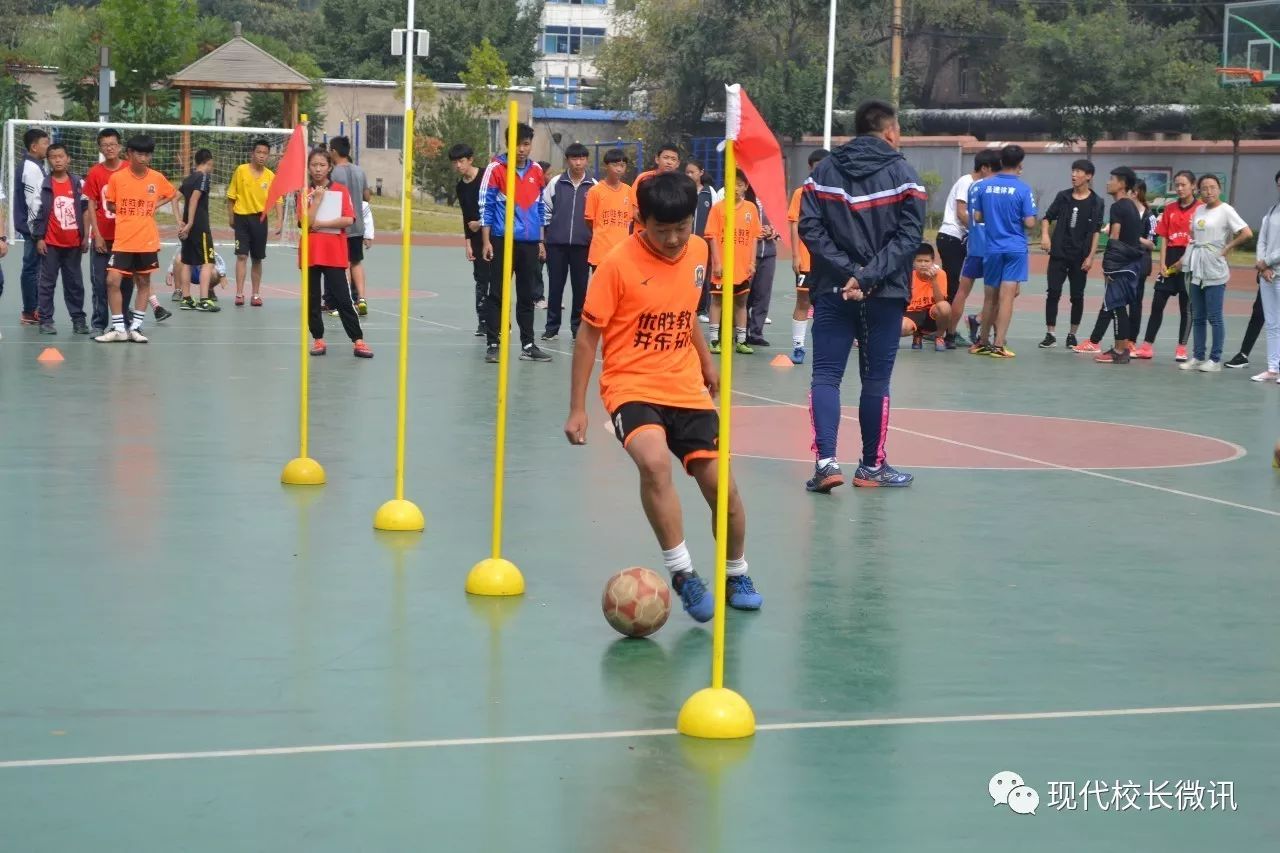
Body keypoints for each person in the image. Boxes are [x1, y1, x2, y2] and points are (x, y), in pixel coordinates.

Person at [563, 171, 762, 622]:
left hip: (685, 387)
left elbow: (685, 307)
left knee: (723, 490)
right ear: (640, 220)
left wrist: (705, 360)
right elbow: (586, 340)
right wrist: (577, 408)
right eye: (662, 229)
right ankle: (684, 573)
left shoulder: (697, 249)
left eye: (682, 227)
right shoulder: (617, 265)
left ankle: (736, 573)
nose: (673, 239)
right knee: (653, 463)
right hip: (631, 385)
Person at [799, 99, 925, 491]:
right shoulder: (904, 173)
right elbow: (909, 238)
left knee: (825, 375)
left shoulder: (822, 171)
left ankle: (826, 465)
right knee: (875, 380)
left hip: (833, 288)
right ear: (890, 131)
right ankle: (871, 467)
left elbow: (810, 229)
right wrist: (869, 276)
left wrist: (849, 272)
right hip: (884, 292)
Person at [95, 135, 180, 343]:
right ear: (129, 154)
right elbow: (111, 205)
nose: (144, 158)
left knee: (143, 281)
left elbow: (173, 193)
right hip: (123, 240)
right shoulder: (117, 178)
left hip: (147, 240)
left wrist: (155, 206)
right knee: (112, 280)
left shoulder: (157, 178)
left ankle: (136, 328)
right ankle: (118, 329)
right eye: (140, 153)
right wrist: (130, 211)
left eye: (148, 154)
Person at [480, 123, 550, 363]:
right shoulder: (496, 169)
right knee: (497, 293)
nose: (522, 149)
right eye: (517, 144)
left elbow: (540, 207)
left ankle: (528, 345)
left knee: (527, 295)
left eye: (526, 144)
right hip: (502, 240)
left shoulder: (537, 171)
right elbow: (486, 206)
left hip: (529, 243)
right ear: (508, 144)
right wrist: (487, 241)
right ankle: (493, 343)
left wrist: (540, 239)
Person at [300, 148, 372, 359]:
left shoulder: (341, 191)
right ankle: (318, 339)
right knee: (313, 299)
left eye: (322, 165)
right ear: (308, 167)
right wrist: (318, 201)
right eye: (314, 165)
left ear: (330, 167)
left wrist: (321, 223)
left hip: (334, 252)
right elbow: (305, 223)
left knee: (343, 298)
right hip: (311, 253)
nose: (318, 169)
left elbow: (348, 220)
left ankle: (358, 340)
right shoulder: (305, 192)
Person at [1180, 174, 1252, 373]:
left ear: (1219, 189)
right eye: (1204, 188)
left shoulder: (1226, 210)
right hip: (1197, 267)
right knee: (1198, 316)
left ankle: (1215, 359)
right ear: (1199, 190)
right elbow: (1194, 236)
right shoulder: (1199, 210)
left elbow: (1246, 233)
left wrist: (1227, 247)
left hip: (1215, 267)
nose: (1208, 191)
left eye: (1212, 187)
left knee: (1215, 316)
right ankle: (1198, 356)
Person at [971, 144, 1036, 359]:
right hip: (1015, 249)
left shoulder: (983, 186)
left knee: (989, 298)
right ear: (1020, 164)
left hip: (992, 248)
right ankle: (999, 345)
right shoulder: (1024, 189)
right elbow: (1029, 222)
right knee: (1007, 297)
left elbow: (978, 218)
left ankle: (982, 342)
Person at [1038, 159, 1105, 349]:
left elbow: (1096, 231)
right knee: (1053, 292)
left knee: (1077, 296)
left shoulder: (1097, 202)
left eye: (1078, 171)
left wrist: (1091, 256)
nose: (1074, 175)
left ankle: (1072, 334)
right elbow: (1046, 218)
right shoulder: (1063, 196)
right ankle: (1050, 334)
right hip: (1059, 253)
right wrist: (1045, 236)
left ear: (1089, 176)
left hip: (1080, 256)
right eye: (1073, 170)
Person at [1134, 169, 1197, 361]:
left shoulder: (1200, 209)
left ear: (1193, 186)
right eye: (1176, 185)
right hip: (1170, 258)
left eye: (1183, 184)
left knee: (1186, 308)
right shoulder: (1169, 209)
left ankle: (1181, 347)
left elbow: (1196, 239)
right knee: (1157, 304)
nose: (1179, 188)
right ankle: (1147, 345)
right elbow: (1163, 238)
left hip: (1189, 261)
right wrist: (1162, 262)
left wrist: (1184, 261)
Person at [945, 150, 1001, 350]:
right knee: (998, 294)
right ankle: (991, 338)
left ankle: (953, 333)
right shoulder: (989, 187)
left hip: (974, 245)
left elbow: (973, 216)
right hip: (989, 246)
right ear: (986, 168)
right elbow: (964, 214)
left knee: (962, 291)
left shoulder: (975, 187)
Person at [30, 142, 88, 335]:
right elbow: (37, 212)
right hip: (51, 243)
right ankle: (46, 320)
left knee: (75, 284)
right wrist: (39, 237)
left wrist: (86, 236)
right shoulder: (44, 184)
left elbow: (86, 211)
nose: (57, 160)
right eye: (53, 157)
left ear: (68, 158)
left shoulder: (78, 183)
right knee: (47, 284)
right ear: (48, 161)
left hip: (73, 244)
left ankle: (78, 319)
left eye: (61, 156)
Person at [541, 142, 595, 341]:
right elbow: (545, 209)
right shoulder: (556, 182)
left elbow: (596, 218)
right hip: (556, 245)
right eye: (574, 158)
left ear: (586, 160)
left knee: (580, 289)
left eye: (582, 158)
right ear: (567, 160)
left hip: (583, 246)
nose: (578, 162)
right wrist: (546, 237)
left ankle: (577, 328)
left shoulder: (594, 186)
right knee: (555, 287)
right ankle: (551, 327)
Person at [1093, 167, 1144, 364]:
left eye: (1112, 178)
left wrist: (1109, 266)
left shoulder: (1118, 207)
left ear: (1122, 184)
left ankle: (1120, 351)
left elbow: (1114, 237)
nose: (1108, 182)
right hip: (1131, 264)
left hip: (1120, 265)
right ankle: (1121, 349)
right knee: (1119, 306)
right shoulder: (1132, 207)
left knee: (1116, 306)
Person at [705, 169, 759, 354]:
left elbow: (754, 237)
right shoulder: (718, 208)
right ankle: (714, 340)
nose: (735, 188)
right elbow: (711, 236)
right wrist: (717, 263)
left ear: (746, 187)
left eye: (739, 184)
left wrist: (752, 263)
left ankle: (741, 340)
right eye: (732, 183)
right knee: (717, 301)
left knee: (741, 303)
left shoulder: (751, 209)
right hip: (722, 267)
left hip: (742, 267)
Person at [226, 138, 283, 307]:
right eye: (258, 152)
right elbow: (231, 197)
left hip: (260, 219)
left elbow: (278, 199)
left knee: (257, 258)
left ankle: (256, 294)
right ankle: (239, 293)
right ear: (252, 153)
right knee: (242, 255)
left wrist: (279, 220)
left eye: (265, 153)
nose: (261, 156)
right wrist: (231, 217)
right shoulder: (241, 170)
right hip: (241, 218)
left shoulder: (270, 176)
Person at [786, 148, 830, 363]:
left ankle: (826, 347)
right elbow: (794, 224)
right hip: (806, 256)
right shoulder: (800, 193)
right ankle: (798, 346)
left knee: (828, 302)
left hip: (830, 258)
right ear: (810, 167)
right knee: (803, 301)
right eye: (817, 166)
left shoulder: (835, 193)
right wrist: (795, 255)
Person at [329, 136, 371, 315]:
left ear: (333, 152)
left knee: (343, 264)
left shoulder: (333, 173)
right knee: (356, 262)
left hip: (342, 225)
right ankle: (361, 299)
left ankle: (344, 303)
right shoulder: (360, 171)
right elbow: (367, 197)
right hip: (358, 226)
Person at [451, 143, 488, 336]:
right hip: (475, 239)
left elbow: (499, 207)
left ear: (470, 160)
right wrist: (467, 243)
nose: (458, 165)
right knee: (481, 281)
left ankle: (499, 321)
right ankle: (482, 322)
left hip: (493, 236)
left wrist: (481, 222)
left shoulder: (486, 178)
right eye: (455, 162)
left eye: (461, 161)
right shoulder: (460, 187)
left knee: (496, 280)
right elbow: (465, 216)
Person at [176, 148, 220, 312]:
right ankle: (204, 299)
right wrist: (190, 223)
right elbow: (194, 199)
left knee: (187, 262)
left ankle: (187, 299)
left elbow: (174, 198)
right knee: (207, 262)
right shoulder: (203, 177)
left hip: (188, 227)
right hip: (199, 227)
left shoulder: (188, 178)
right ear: (209, 162)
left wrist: (180, 221)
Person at [14, 127, 49, 324]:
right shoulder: (32, 168)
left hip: (31, 229)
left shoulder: (33, 165)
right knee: (32, 268)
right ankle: (30, 311)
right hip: (33, 230)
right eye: (45, 143)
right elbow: (34, 202)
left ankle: (32, 309)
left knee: (33, 268)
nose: (47, 147)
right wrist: (38, 233)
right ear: (34, 147)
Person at [1251, 169, 1280, 384]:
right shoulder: (1271, 211)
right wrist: (1262, 266)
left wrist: (1267, 262)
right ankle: (1273, 368)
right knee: (1272, 323)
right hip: (1267, 276)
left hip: (1275, 270)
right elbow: (1261, 240)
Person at [584, 148, 634, 271]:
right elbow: (589, 221)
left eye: (622, 165)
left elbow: (629, 220)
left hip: (621, 253)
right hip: (601, 253)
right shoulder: (595, 191)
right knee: (601, 289)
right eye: (615, 165)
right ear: (606, 166)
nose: (619, 169)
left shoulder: (628, 191)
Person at [686, 157, 720, 320]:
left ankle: (701, 309)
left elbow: (716, 216)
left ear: (701, 173)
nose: (689, 175)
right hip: (685, 241)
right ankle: (687, 305)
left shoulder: (710, 192)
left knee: (703, 276)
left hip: (704, 242)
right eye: (687, 172)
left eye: (692, 172)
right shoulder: (684, 190)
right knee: (685, 274)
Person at [745, 190, 780, 347]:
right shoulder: (744, 200)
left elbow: (781, 225)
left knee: (763, 294)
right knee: (745, 294)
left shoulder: (772, 202)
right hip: (747, 255)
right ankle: (740, 331)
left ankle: (756, 333)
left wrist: (773, 232)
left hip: (769, 254)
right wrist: (754, 232)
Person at [903, 243, 951, 351]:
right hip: (912, 313)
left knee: (944, 307)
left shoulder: (940, 274)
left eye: (926, 261)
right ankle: (917, 334)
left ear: (933, 262)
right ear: (913, 262)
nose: (923, 264)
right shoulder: (908, 276)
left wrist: (933, 281)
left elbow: (940, 301)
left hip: (932, 314)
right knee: (902, 328)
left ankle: (939, 336)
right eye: (919, 261)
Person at [631, 143, 682, 233]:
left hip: (667, 236)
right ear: (657, 159)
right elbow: (634, 211)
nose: (669, 162)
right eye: (665, 158)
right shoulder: (644, 179)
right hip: (642, 234)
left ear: (678, 164)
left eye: (673, 159)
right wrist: (654, 228)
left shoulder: (681, 184)